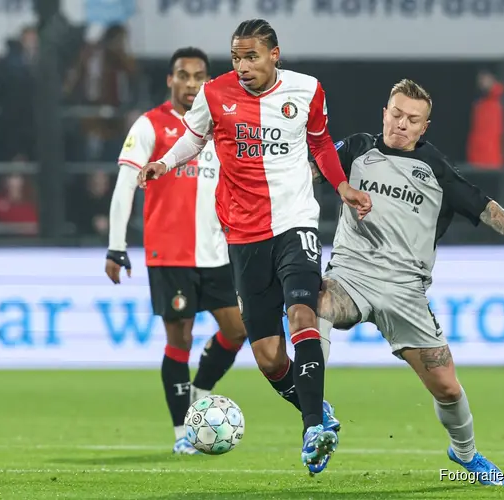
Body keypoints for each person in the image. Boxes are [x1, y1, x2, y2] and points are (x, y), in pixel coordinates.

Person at [137, 20, 372, 473]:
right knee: (267, 357)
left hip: (295, 222)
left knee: (302, 313)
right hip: (243, 236)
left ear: (274, 55)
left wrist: (341, 187)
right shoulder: (214, 94)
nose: (242, 66)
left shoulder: (307, 90)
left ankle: (311, 431)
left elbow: (320, 143)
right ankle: (317, 409)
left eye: (252, 57)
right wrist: (164, 163)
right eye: (236, 57)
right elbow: (193, 137)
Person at [312, 79, 504, 486]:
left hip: (406, 291)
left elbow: (482, 205)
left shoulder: (435, 168)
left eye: (412, 119)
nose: (401, 124)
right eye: (396, 114)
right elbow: (314, 168)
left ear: (424, 127)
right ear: (384, 113)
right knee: (315, 303)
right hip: (351, 275)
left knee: (447, 388)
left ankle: (466, 453)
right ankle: (315, 412)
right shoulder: (355, 149)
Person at [106, 47, 248, 455]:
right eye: (183, 75)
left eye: (199, 76)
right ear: (170, 80)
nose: (191, 83)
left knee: (237, 330)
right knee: (179, 338)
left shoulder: (221, 126)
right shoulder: (150, 125)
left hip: (217, 251)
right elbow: (124, 187)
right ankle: (182, 433)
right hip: (170, 254)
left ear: (208, 80)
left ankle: (201, 387)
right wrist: (117, 248)